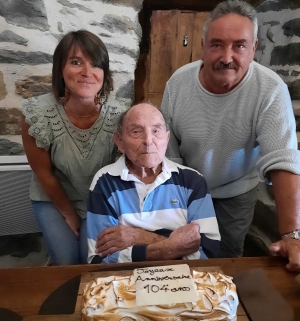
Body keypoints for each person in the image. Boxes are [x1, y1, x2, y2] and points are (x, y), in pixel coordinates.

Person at [160, 0, 300, 270]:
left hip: (236, 192)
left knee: (227, 260)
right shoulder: (177, 83)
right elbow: (168, 148)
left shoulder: (271, 89)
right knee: (179, 255)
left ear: (254, 49)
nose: (226, 57)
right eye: (216, 44)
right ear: (202, 47)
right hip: (185, 187)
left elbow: (282, 158)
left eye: (239, 45)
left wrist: (292, 235)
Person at [22, 30, 124, 265]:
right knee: (67, 261)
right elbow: (44, 174)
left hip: (97, 199)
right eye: (76, 62)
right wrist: (69, 214)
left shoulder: (120, 116)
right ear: (61, 69)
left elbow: (121, 174)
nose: (87, 73)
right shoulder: (37, 114)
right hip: (52, 197)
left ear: (104, 73)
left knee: (92, 260)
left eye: (96, 65)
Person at [86, 103, 220, 264]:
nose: (148, 141)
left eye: (156, 131)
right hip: (124, 283)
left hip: (184, 280)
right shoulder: (105, 182)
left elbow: (208, 254)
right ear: (120, 141)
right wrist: (177, 246)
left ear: (167, 138)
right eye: (136, 132)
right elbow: (99, 260)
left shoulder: (192, 181)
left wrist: (138, 237)